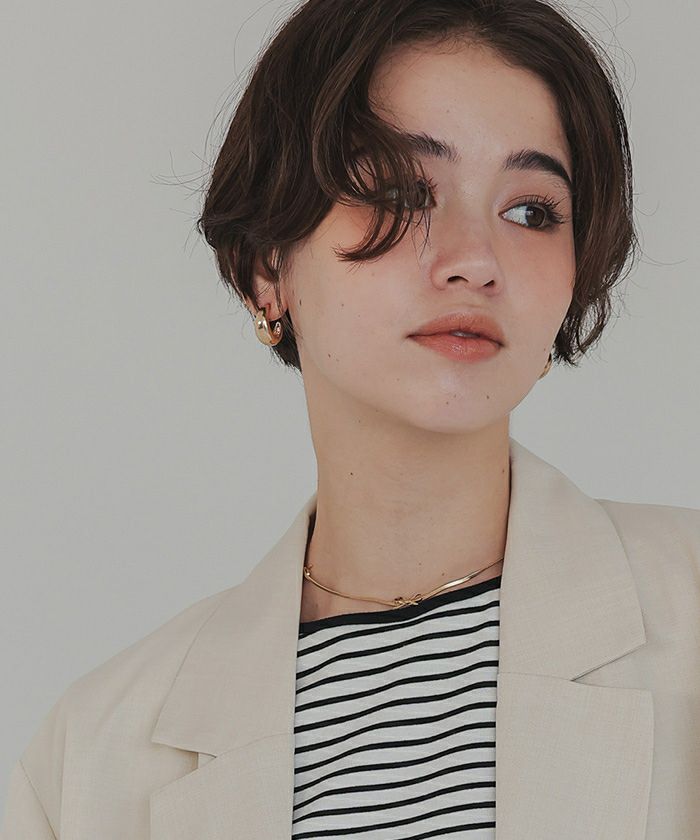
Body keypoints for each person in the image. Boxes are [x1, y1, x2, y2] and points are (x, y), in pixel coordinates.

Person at [2, 0, 699, 838]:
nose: (476, 261)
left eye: (531, 211)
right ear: (266, 267)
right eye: (400, 192)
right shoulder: (92, 759)